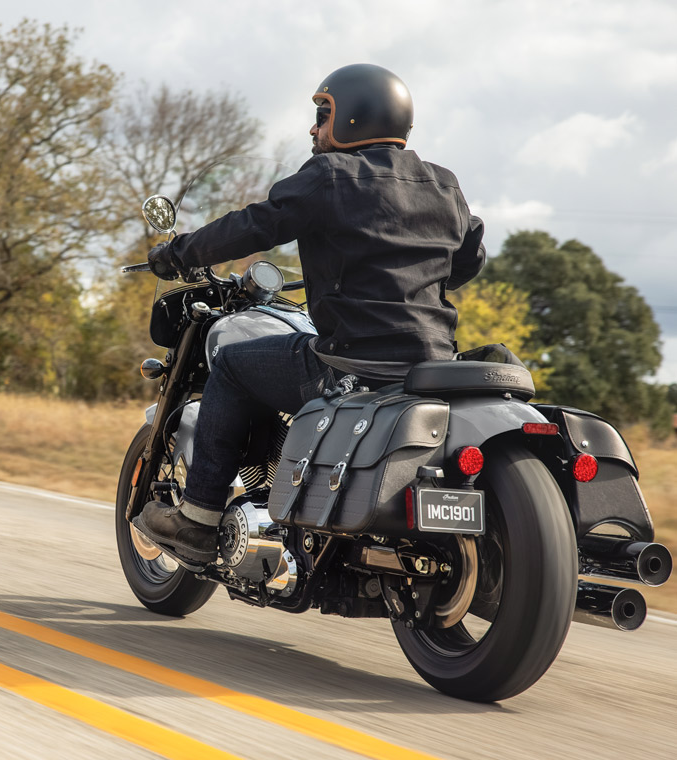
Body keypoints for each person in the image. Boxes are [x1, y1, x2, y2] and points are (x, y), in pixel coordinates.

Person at [133, 63, 486, 564]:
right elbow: (469, 259)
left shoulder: (330, 176)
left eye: (323, 115)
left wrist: (179, 253)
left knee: (232, 364)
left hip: (347, 363)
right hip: (431, 368)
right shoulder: (445, 185)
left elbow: (253, 225)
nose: (314, 129)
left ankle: (198, 519)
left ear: (353, 119)